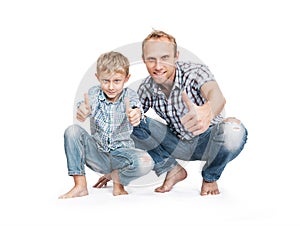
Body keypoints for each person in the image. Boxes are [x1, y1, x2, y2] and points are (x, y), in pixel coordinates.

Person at [94, 30, 248, 196]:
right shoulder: (146, 88)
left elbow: (216, 95)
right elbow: (124, 128)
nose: (158, 66)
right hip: (176, 144)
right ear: (144, 59)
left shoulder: (195, 72)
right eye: (151, 59)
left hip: (207, 142)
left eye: (165, 58)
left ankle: (210, 177)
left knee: (234, 131)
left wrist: (207, 111)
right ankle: (172, 169)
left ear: (176, 57)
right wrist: (115, 167)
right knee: (130, 118)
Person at [59, 51, 153, 198]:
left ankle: (118, 181)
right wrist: (83, 110)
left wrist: (136, 114)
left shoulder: (130, 95)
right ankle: (80, 185)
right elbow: (85, 106)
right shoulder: (94, 94)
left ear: (126, 78)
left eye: (116, 81)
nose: (110, 87)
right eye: (105, 81)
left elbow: (136, 108)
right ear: (98, 78)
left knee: (146, 161)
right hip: (97, 154)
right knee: (72, 131)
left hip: (121, 156)